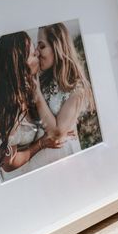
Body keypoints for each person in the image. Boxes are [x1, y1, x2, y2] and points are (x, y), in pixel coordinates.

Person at [0, 31, 60, 180]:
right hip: (21, 179)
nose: (38, 53)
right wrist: (41, 144)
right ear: (20, 65)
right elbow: (7, 163)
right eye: (33, 54)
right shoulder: (8, 107)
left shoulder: (30, 86)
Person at [31, 22, 95, 166]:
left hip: (63, 158)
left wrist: (37, 93)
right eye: (36, 47)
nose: (36, 52)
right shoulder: (41, 80)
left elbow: (57, 134)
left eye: (42, 46)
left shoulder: (77, 88)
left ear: (57, 47)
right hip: (39, 159)